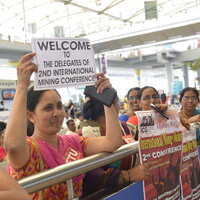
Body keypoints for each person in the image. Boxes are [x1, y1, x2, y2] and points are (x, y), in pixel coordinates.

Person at [3, 53, 123, 200]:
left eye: (59, 106)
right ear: (30, 116)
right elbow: (13, 145)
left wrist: (106, 98)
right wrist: (22, 86)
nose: (57, 113)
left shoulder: (73, 142)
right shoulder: (29, 149)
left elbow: (113, 142)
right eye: (48, 108)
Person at [80, 92, 150, 196]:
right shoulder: (88, 132)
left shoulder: (124, 127)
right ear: (109, 106)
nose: (119, 105)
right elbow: (91, 175)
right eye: (117, 101)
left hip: (131, 189)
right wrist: (128, 175)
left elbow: (148, 139)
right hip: (106, 195)